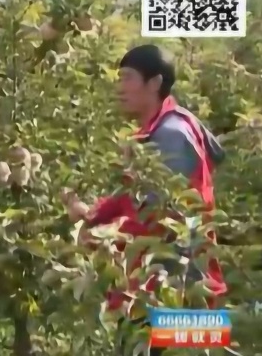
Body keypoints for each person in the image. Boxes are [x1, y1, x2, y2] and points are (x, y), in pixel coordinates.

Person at [61, 45, 227, 355]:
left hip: (177, 291)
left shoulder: (172, 135)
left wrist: (100, 238)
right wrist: (90, 214)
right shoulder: (154, 133)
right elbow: (130, 197)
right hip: (155, 292)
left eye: (128, 78)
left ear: (154, 83)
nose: (120, 87)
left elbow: (156, 217)